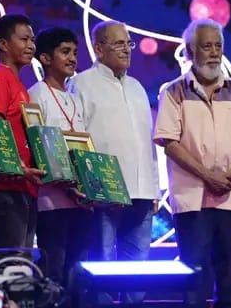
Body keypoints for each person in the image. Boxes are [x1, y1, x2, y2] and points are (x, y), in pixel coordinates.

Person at [154, 18, 231, 308]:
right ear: (190, 52)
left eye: (218, 46)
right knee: (194, 275)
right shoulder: (173, 91)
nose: (214, 53)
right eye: (206, 47)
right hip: (192, 199)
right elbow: (169, 142)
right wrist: (207, 175)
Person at [69, 20, 160, 303]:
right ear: (98, 49)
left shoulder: (136, 87)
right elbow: (75, 137)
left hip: (142, 191)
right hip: (104, 192)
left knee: (138, 270)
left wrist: (155, 188)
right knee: (102, 267)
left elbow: (147, 142)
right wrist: (83, 184)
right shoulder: (81, 83)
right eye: (119, 43)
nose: (127, 49)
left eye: (129, 43)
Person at [28, 27, 91, 290]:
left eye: (75, 52)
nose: (72, 58)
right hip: (51, 201)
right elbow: (38, 146)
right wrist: (67, 185)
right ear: (45, 58)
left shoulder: (75, 98)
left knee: (76, 274)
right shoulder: (35, 94)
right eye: (65, 52)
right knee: (53, 271)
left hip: (80, 201)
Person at [0, 14, 46, 255]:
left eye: (32, 40)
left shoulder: (18, 84)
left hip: (23, 185)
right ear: (4, 44)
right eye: (24, 39)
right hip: (4, 185)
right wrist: (17, 167)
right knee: (11, 262)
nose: (31, 46)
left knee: (23, 263)